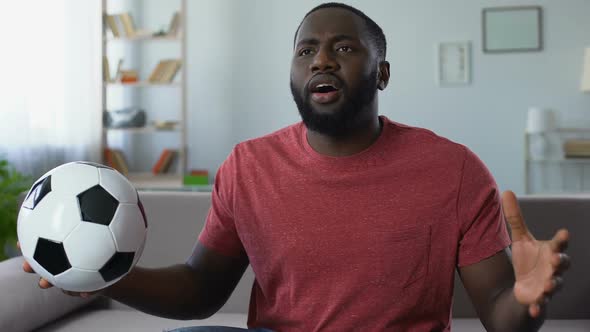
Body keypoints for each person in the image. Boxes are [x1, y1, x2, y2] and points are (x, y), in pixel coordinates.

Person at [22, 3, 570, 331]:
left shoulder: (454, 170)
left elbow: (502, 313)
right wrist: (100, 276)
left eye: (344, 49)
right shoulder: (247, 166)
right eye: (306, 50)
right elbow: (199, 289)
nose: (322, 60)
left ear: (382, 73)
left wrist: (526, 300)